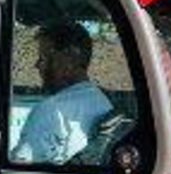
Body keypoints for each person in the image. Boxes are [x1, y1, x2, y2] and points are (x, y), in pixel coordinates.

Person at [13, 19, 114, 164]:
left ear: (68, 59)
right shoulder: (103, 102)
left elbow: (17, 169)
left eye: (43, 58)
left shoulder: (51, 110)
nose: (37, 65)